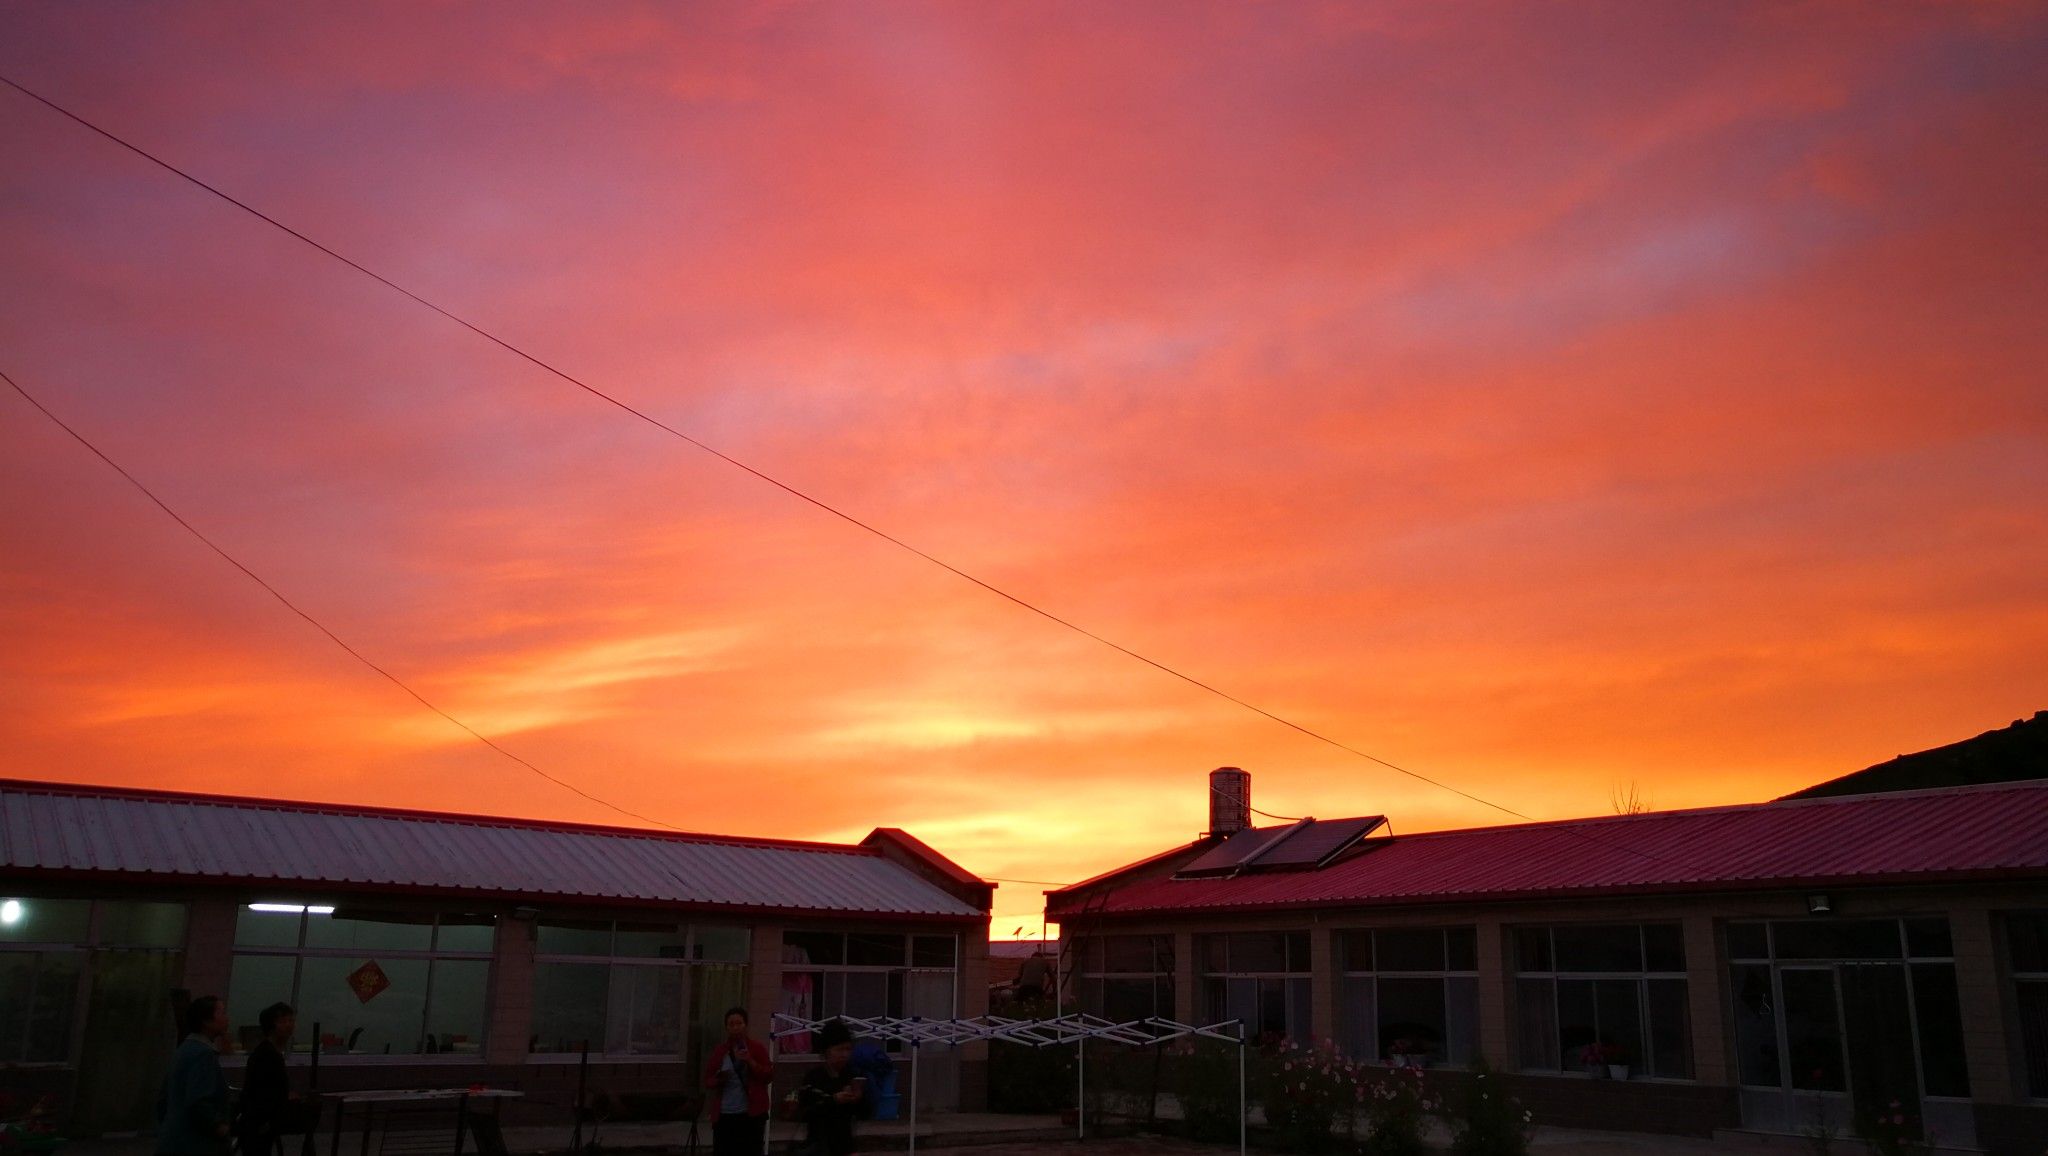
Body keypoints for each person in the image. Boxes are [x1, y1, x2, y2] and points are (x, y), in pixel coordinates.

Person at [156, 995, 231, 1156]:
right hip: (194, 1144)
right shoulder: (203, 1055)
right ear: (206, 1020)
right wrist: (219, 1127)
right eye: (222, 1013)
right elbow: (199, 1101)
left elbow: (163, 1099)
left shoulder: (184, 1050)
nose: (227, 1018)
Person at [701, 1007, 772, 1156]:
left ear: (745, 1025)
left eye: (739, 1023)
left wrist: (750, 1061)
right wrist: (720, 1079)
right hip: (725, 1114)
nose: (735, 1028)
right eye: (731, 1024)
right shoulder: (721, 1051)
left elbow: (768, 1076)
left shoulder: (756, 1048)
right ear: (726, 1027)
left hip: (750, 1113)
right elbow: (708, 1079)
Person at [796, 1020, 866, 1156]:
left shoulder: (852, 1075)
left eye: (848, 1049)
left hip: (845, 1145)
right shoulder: (814, 1077)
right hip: (819, 1146)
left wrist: (859, 1098)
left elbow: (865, 1113)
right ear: (826, 1051)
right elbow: (807, 1111)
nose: (844, 1054)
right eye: (839, 1049)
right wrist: (833, 1100)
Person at [237, 1002, 296, 1156]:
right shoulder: (266, 1055)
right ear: (271, 1026)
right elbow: (260, 1092)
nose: (289, 1025)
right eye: (283, 1021)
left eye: (291, 1020)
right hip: (258, 1124)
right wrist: (266, 1122)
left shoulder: (272, 1053)